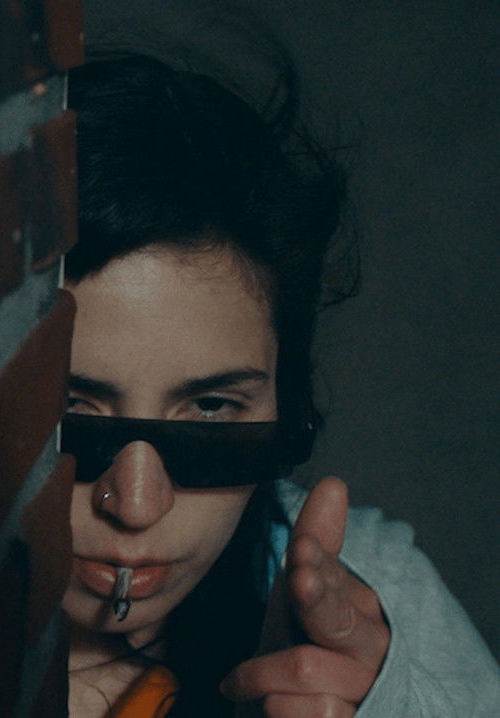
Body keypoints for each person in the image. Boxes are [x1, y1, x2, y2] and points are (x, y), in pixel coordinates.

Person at [57, 53, 500, 717]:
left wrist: (392, 704)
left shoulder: (376, 586)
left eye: (210, 409)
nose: (137, 505)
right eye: (72, 409)